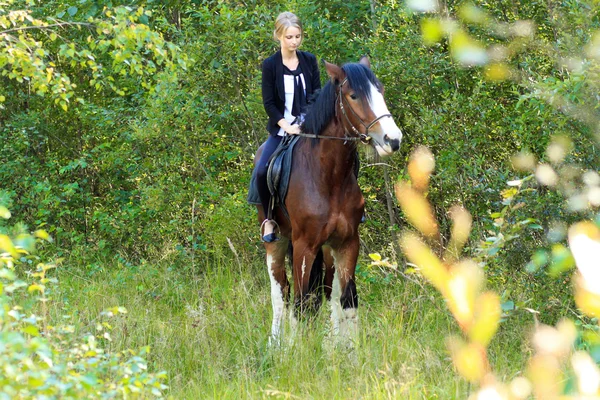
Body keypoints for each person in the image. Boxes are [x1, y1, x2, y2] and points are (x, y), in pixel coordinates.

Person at [257, 11, 321, 242]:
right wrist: (287, 126)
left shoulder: (309, 60)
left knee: (342, 154)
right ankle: (269, 219)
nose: (294, 42)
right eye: (289, 37)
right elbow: (269, 103)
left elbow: (316, 96)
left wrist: (307, 123)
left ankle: (353, 208)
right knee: (262, 170)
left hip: (309, 127)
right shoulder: (270, 65)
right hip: (282, 128)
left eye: (298, 37)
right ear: (278, 37)